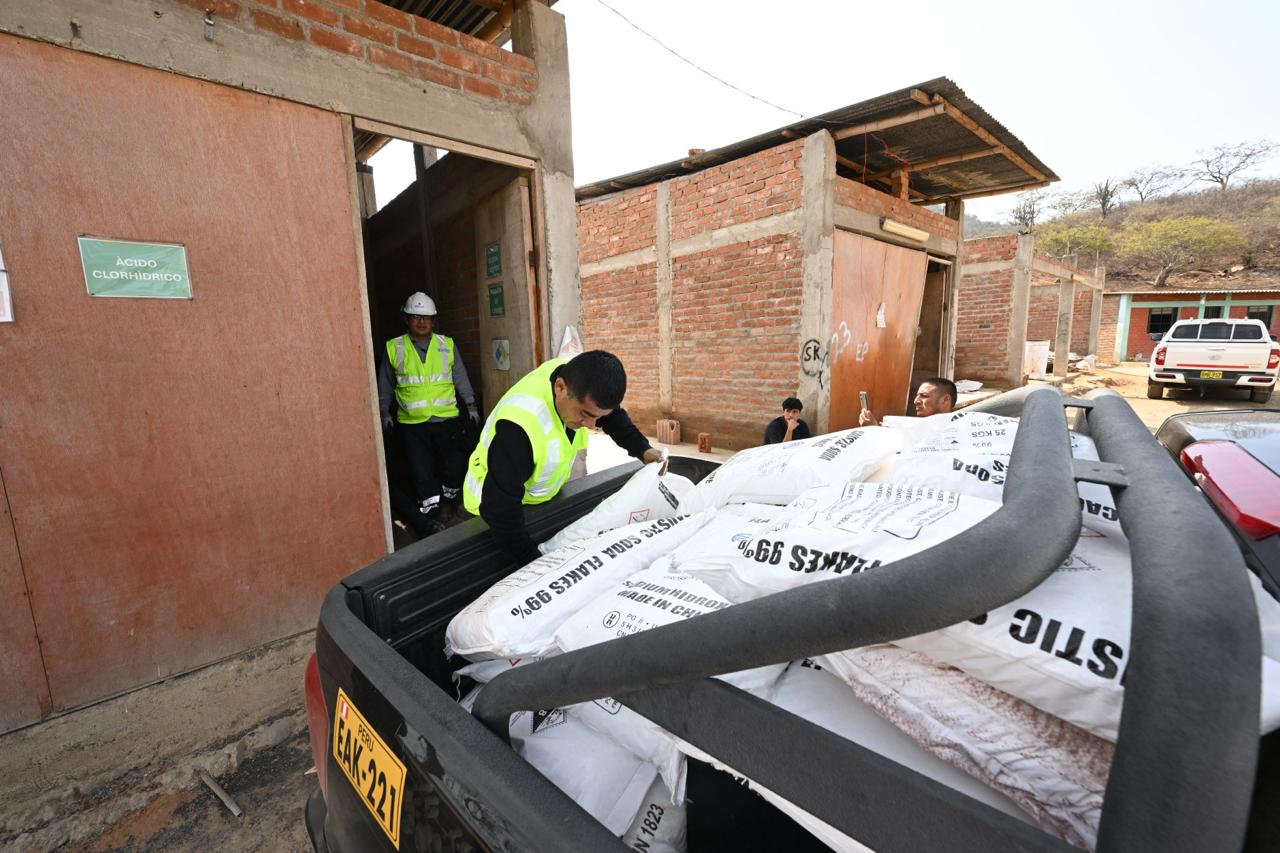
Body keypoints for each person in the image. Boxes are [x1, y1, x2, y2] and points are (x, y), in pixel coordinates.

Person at [463, 350, 664, 563]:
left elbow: (611, 417)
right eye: (585, 414)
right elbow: (499, 508)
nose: (591, 425)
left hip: (535, 499)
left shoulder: (576, 378)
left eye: (597, 417)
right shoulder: (520, 428)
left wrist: (643, 449)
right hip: (490, 512)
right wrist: (533, 561)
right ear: (560, 387)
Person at [378, 292, 478, 534]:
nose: (421, 322)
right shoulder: (395, 347)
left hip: (447, 419)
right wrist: (384, 413)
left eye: (426, 318)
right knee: (421, 470)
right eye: (415, 317)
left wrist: (471, 404)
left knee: (453, 466)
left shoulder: (447, 345)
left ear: (434, 320)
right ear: (406, 319)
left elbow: (460, 377)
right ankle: (431, 515)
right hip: (412, 424)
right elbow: (385, 383)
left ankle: (449, 502)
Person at [859, 377, 958, 425]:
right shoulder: (913, 428)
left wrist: (874, 431)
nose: (916, 401)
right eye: (917, 396)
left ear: (945, 400)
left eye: (924, 396)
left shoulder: (957, 429)